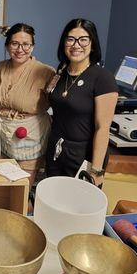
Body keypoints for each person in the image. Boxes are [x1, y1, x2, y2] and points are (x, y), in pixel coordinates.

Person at [45, 18, 118, 187]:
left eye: (83, 39)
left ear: (92, 44)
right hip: (56, 149)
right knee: (54, 201)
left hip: (82, 155)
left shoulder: (102, 78)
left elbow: (103, 128)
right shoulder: (61, 72)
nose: (76, 45)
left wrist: (97, 170)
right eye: (70, 39)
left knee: (77, 208)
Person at [0, 23, 55, 172]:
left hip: (29, 136)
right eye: (15, 44)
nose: (20, 50)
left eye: (26, 44)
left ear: (32, 47)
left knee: (22, 187)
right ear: (7, 46)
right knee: (0, 183)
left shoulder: (46, 72)